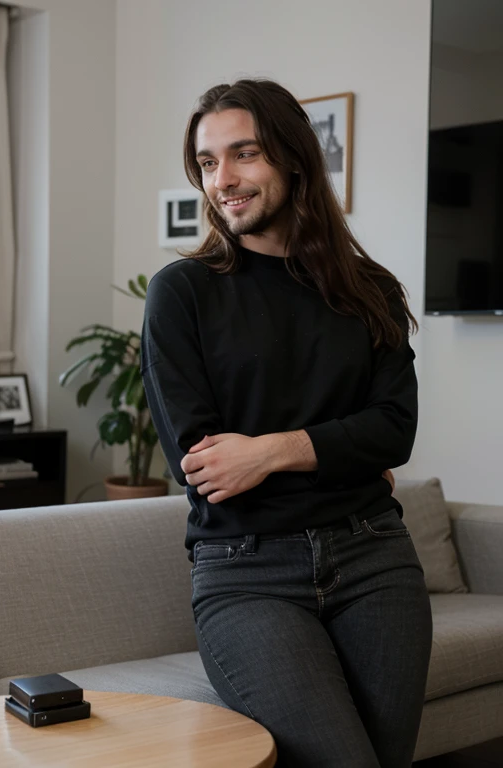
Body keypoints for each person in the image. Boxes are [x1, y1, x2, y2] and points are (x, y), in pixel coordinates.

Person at [140, 78, 432, 768]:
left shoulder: (370, 290)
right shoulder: (181, 293)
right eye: (209, 162)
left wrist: (270, 450)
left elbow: (395, 431)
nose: (224, 180)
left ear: (294, 159)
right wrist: (341, 450)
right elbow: (206, 463)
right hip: (246, 572)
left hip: (375, 561)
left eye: (245, 155)